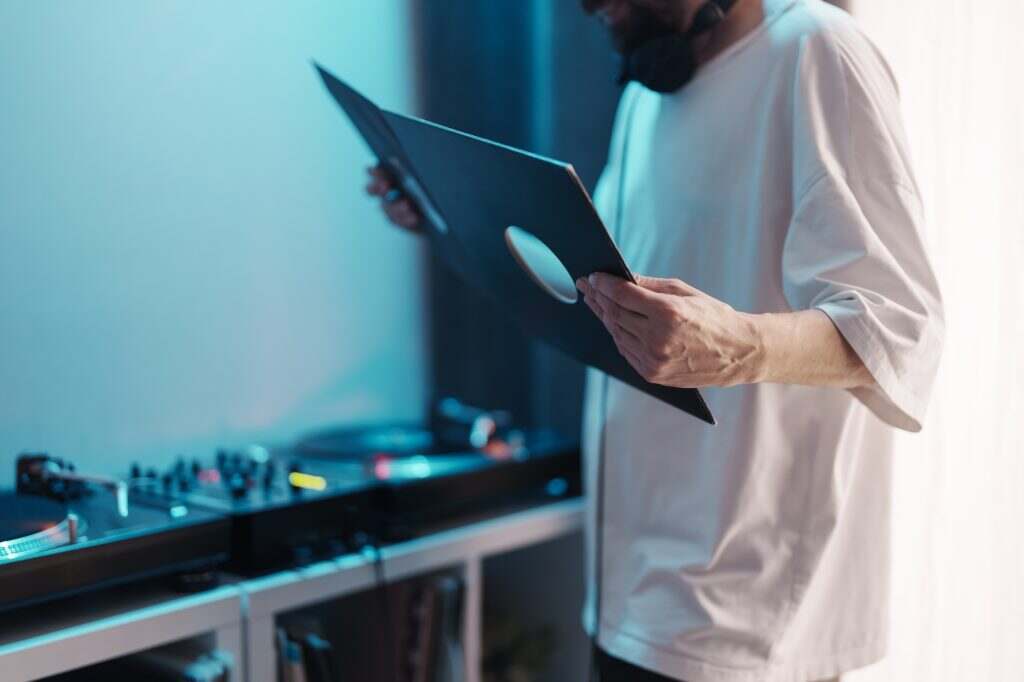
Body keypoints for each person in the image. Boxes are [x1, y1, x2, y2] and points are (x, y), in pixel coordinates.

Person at [367, 1, 944, 680]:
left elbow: (901, 325)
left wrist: (745, 343)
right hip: (630, 592)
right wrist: (442, 216)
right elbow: (601, 289)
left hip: (742, 625)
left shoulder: (819, 51)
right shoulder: (651, 85)